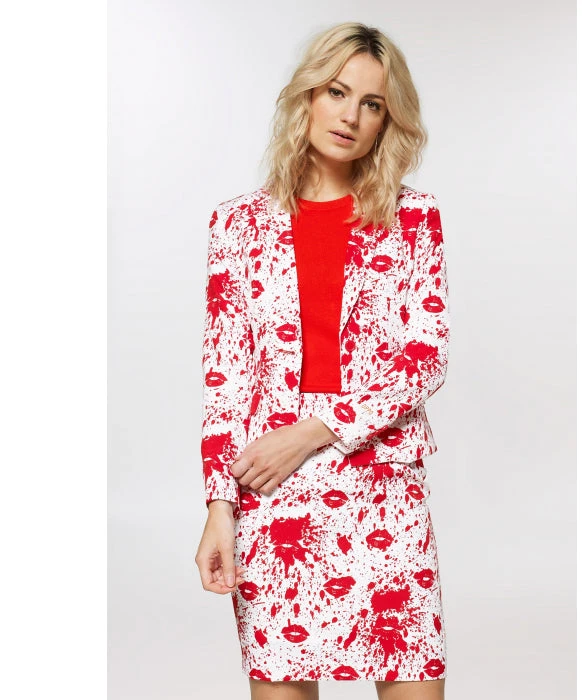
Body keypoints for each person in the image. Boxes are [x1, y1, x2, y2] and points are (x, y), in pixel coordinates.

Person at [194, 21, 451, 700]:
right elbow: (226, 378)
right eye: (337, 92)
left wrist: (315, 429)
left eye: (372, 104)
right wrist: (219, 508)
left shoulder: (414, 218)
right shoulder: (236, 224)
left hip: (382, 486)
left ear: (387, 121)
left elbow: (424, 357)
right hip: (272, 490)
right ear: (307, 95)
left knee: (413, 680)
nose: (350, 116)